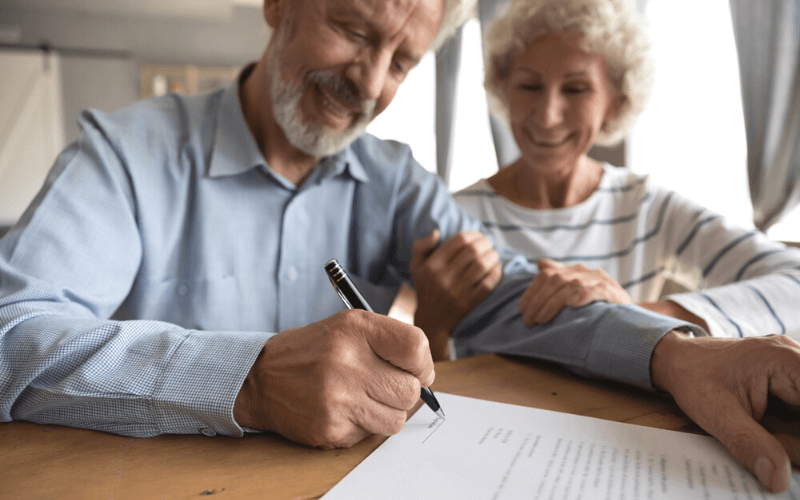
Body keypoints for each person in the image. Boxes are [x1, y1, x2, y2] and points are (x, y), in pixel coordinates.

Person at [0, 0, 797, 493]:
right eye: (352, 28)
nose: (371, 82)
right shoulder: (124, 153)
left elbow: (514, 297)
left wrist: (676, 355)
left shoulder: (395, 178)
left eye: (404, 60)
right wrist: (245, 382)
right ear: (278, 3)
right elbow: (11, 333)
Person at [446, 0, 800, 338]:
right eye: (529, 86)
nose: (547, 115)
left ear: (616, 102)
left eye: (576, 88)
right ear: (503, 86)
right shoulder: (454, 216)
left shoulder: (644, 206)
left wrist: (632, 317)